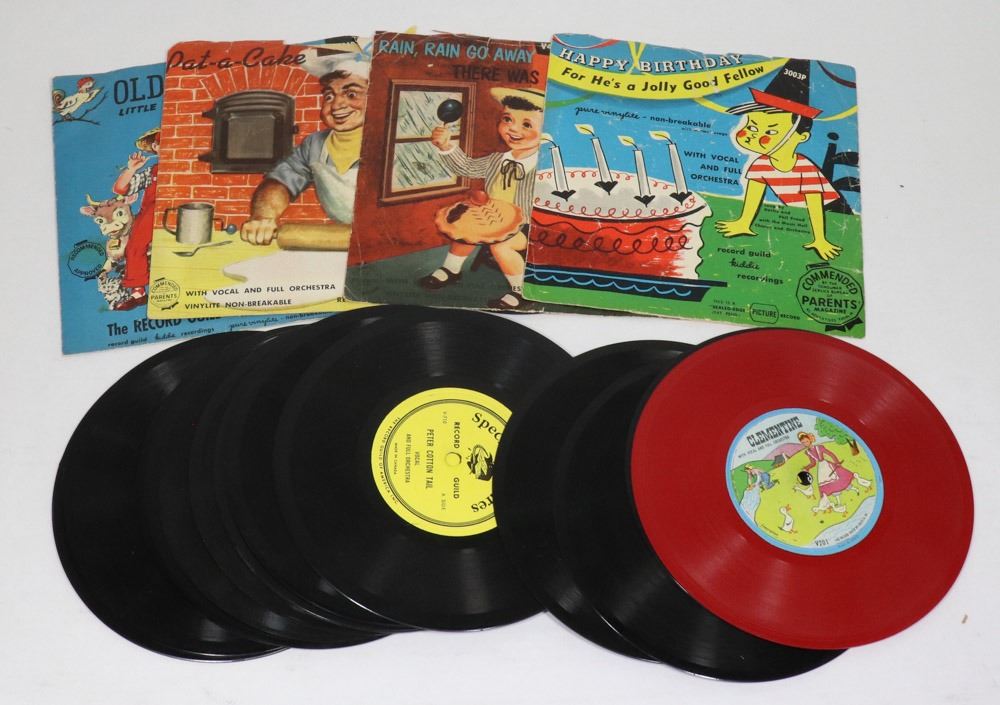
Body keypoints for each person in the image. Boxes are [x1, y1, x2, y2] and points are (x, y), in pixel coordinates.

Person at [420, 87, 545, 310]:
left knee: (502, 245)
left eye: (527, 124)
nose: (513, 129)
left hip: (529, 226)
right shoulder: (497, 160)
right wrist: (446, 146)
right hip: (492, 217)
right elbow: (467, 167)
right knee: (464, 227)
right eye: (507, 119)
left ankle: (522, 291)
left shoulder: (545, 166)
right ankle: (451, 269)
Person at [715, 59, 842, 261]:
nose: (752, 135)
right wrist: (744, 223)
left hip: (834, 211)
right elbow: (754, 194)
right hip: (793, 210)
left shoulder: (805, 169)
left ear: (801, 137)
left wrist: (820, 239)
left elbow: (815, 204)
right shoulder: (761, 164)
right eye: (752, 126)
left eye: (771, 131)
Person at [241, 47, 368, 246]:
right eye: (329, 96)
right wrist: (263, 217)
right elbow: (280, 182)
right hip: (344, 239)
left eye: (351, 94)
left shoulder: (394, 141)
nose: (336, 105)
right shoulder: (314, 144)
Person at [110, 127, 159, 310]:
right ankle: (138, 293)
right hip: (150, 213)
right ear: (155, 147)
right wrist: (131, 169)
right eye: (159, 144)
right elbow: (121, 188)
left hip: (176, 211)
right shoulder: (152, 172)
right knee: (134, 246)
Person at [798, 430, 871, 513]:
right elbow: (813, 463)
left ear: (810, 440)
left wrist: (837, 462)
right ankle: (839, 503)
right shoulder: (807, 452)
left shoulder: (819, 447)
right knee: (830, 486)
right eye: (803, 442)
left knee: (839, 481)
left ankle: (855, 489)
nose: (805, 444)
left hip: (828, 466)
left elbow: (831, 454)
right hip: (821, 470)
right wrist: (806, 468)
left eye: (806, 441)